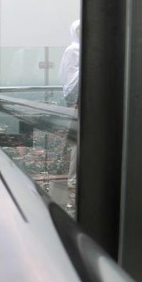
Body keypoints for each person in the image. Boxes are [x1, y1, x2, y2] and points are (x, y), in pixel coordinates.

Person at [58, 19, 81, 189]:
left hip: (83, 100)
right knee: (77, 141)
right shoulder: (72, 50)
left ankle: (74, 178)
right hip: (79, 101)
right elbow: (68, 78)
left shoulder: (81, 49)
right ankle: (73, 178)